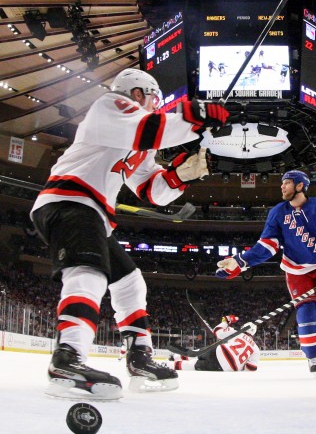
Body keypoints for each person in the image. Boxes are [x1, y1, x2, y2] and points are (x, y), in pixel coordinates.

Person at [31, 67, 230, 400]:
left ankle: (139, 357)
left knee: (130, 282)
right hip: (70, 202)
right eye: (154, 99)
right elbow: (151, 129)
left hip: (89, 211)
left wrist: (182, 174)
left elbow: (153, 191)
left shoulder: (138, 138)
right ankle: (67, 359)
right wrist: (195, 114)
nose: (156, 105)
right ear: (138, 93)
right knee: (89, 273)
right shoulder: (111, 106)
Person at [215, 170, 316, 375]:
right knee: (306, 313)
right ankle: (314, 360)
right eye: (282, 183)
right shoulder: (278, 212)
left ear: (300, 186)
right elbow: (267, 246)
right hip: (295, 270)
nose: (282, 187)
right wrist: (240, 262)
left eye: (287, 183)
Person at [171, 315, 260, 372]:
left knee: (198, 352)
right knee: (192, 365)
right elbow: (251, 368)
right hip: (226, 367)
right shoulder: (256, 349)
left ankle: (174, 357)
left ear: (243, 327)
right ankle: (168, 366)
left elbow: (217, 331)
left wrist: (226, 320)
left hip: (219, 351)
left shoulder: (236, 332)